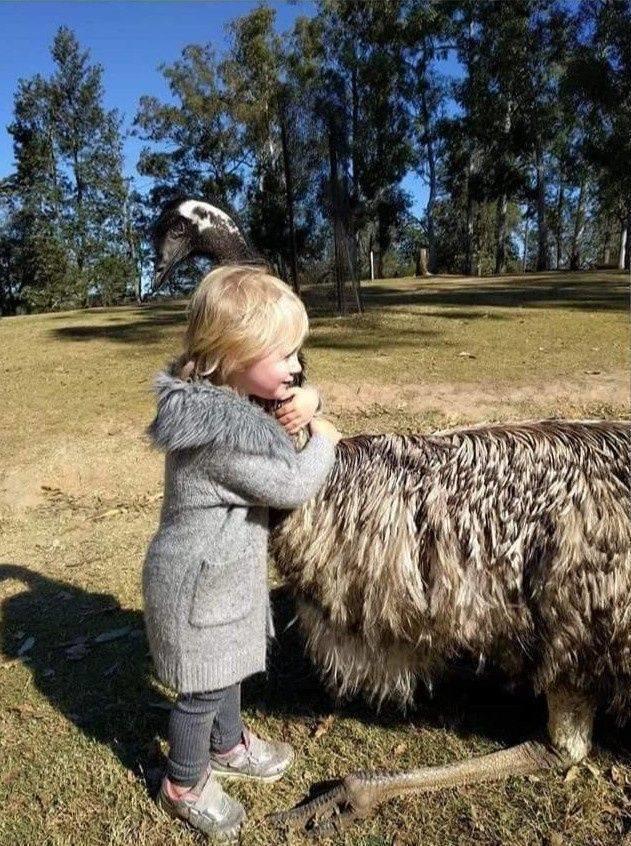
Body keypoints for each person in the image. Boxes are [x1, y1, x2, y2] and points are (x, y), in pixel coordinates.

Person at [143, 265, 342, 840]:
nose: (296, 366)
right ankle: (184, 781)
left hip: (220, 577)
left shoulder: (234, 401)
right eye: (284, 354)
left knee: (228, 669)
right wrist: (323, 438)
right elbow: (291, 484)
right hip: (196, 586)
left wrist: (311, 398)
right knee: (202, 689)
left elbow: (289, 400)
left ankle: (228, 746)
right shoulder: (218, 436)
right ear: (234, 355)